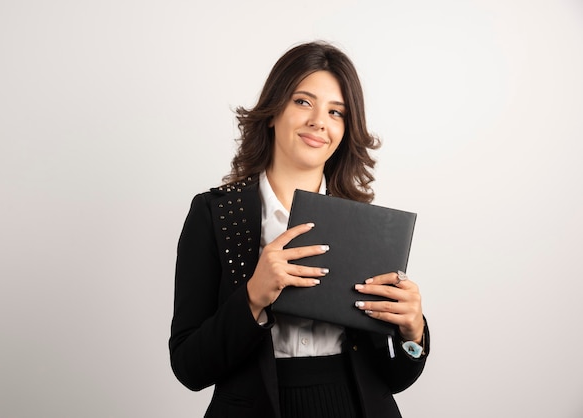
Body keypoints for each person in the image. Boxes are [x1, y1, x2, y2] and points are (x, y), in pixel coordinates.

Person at [169, 41, 429, 418]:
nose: (319, 121)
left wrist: (412, 332)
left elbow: (395, 378)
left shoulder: (365, 225)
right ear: (273, 112)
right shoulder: (215, 214)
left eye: (336, 112)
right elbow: (189, 368)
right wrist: (253, 297)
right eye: (303, 102)